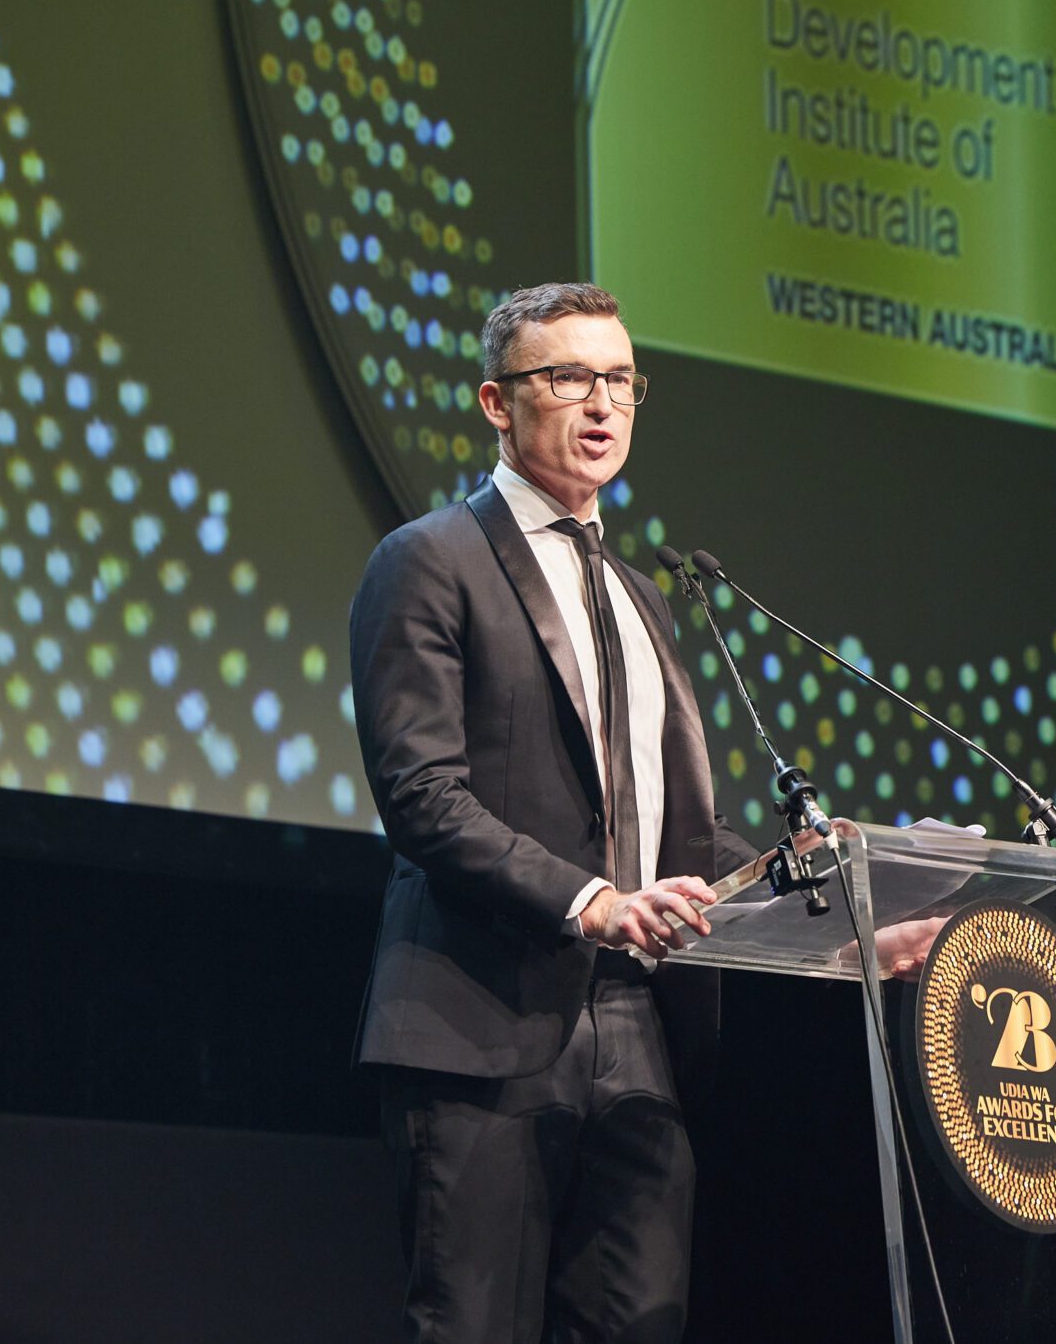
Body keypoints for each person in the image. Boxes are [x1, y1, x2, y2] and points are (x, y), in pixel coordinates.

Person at [349, 282, 760, 1343]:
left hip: (640, 1033)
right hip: (480, 1019)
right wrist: (591, 901)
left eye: (620, 379)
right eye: (569, 377)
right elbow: (421, 795)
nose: (602, 403)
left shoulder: (645, 594)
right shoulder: (429, 559)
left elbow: (669, 828)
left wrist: (835, 906)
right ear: (497, 401)